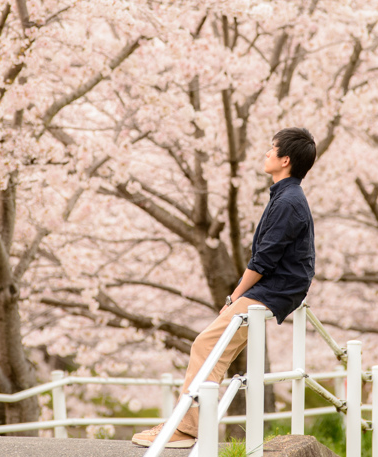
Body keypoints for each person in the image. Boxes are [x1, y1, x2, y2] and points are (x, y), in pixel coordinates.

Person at [132, 127, 317, 448]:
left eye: (271, 149)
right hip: (276, 287)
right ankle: (185, 423)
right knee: (213, 349)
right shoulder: (286, 196)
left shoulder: (288, 201)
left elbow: (263, 261)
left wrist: (235, 296)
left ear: (285, 160)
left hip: (273, 289)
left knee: (206, 344)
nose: (266, 153)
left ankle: (184, 428)